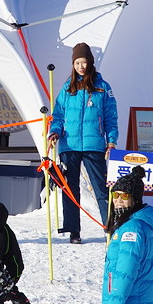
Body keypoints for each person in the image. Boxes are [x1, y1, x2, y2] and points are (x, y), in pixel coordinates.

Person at [48, 42, 118, 243]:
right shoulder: (67, 87)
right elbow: (58, 115)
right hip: (69, 145)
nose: (81, 66)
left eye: (84, 62)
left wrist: (111, 141)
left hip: (94, 145)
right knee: (70, 188)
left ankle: (110, 226)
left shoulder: (102, 87)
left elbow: (111, 117)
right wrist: (54, 132)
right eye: (77, 62)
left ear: (90, 63)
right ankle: (73, 230)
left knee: (101, 188)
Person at [102, 166, 153, 304]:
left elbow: (126, 271)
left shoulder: (132, 229)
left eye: (124, 196)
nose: (118, 200)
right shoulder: (129, 224)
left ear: (135, 199)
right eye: (116, 195)